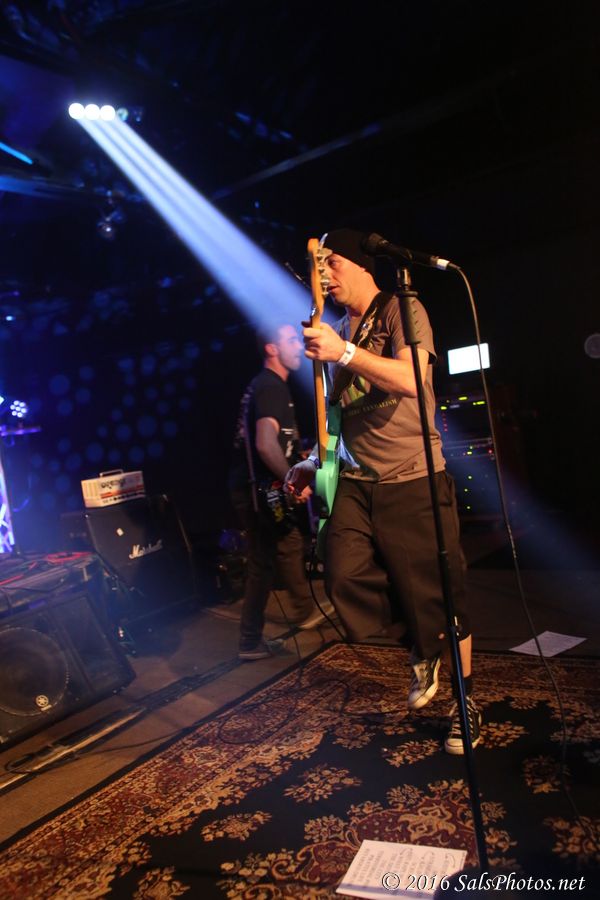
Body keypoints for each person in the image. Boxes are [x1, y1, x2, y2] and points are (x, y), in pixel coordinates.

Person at [285, 228, 480, 753]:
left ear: (362, 265)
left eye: (333, 263)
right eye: (318, 267)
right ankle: (422, 642)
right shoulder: (334, 331)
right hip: (357, 480)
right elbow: (337, 415)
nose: (324, 275)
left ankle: (464, 703)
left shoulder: (401, 308)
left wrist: (346, 352)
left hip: (413, 476)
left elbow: (414, 378)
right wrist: (311, 460)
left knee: (442, 597)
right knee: (342, 573)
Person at [229, 322, 335, 661]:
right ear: (271, 349)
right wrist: (293, 479)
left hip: (258, 489)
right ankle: (253, 640)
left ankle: (295, 615)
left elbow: (274, 441)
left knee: (282, 548)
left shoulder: (268, 386)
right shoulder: (271, 387)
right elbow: (264, 444)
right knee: (265, 561)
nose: (298, 345)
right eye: (290, 340)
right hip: (257, 492)